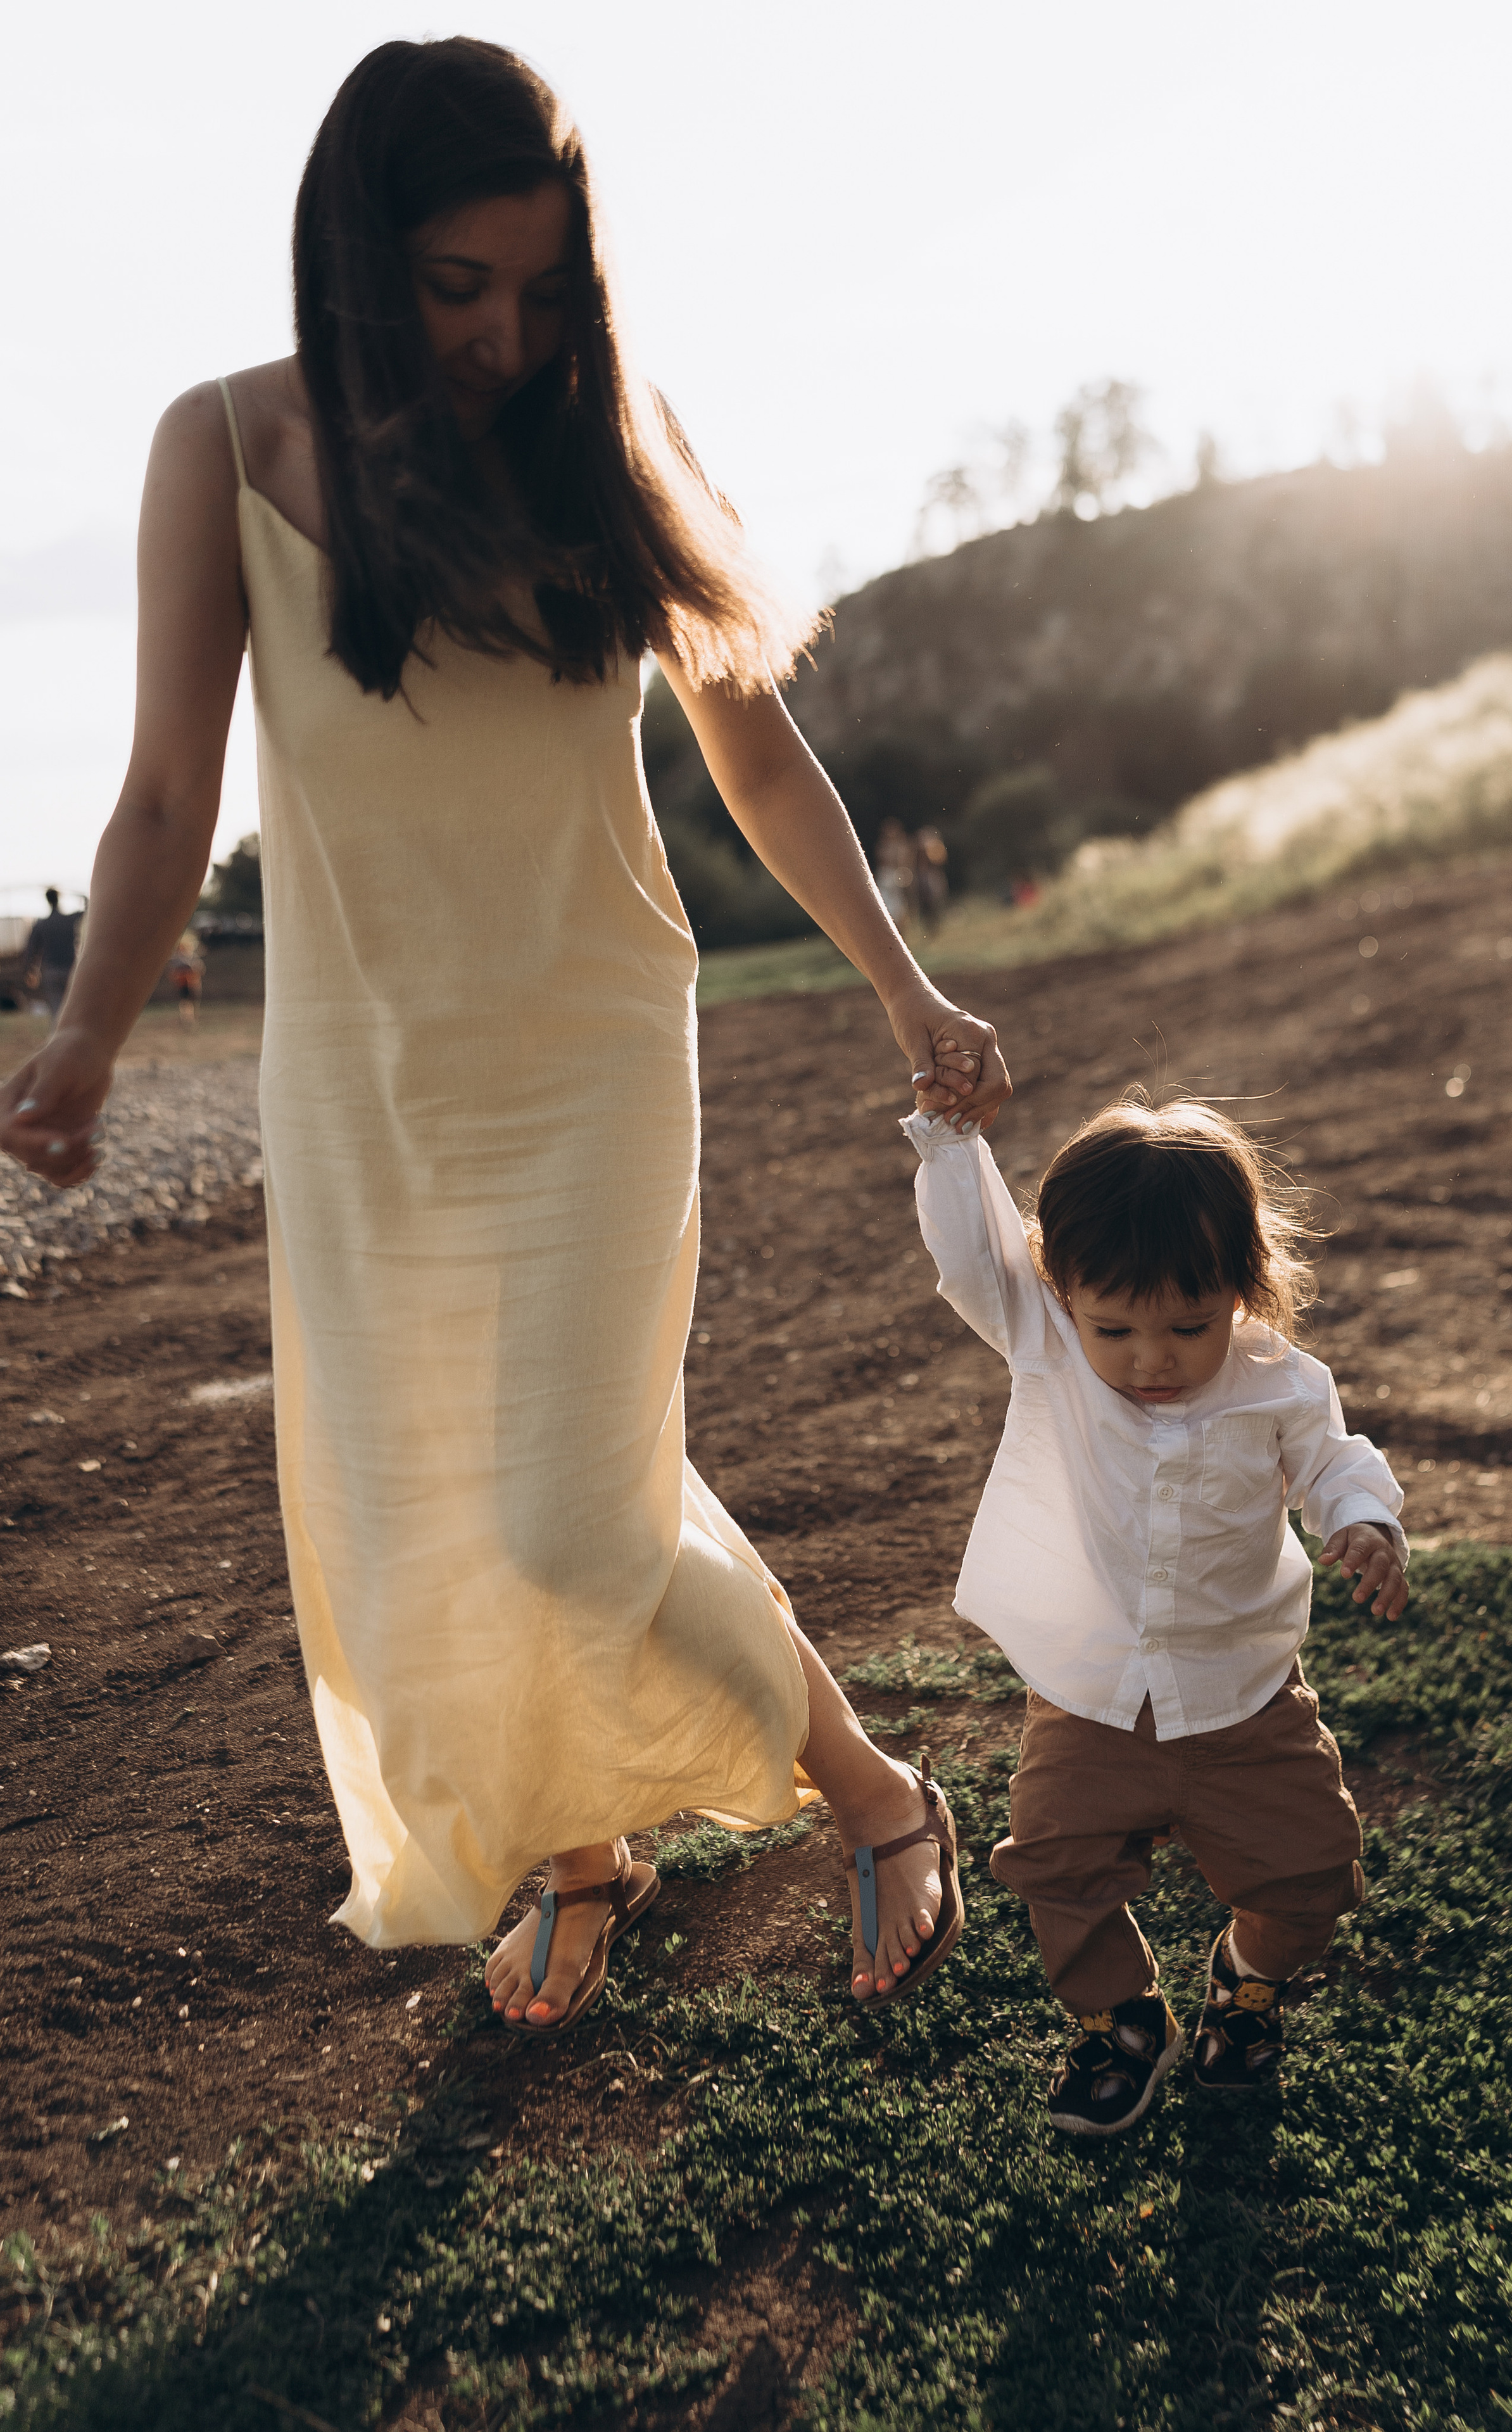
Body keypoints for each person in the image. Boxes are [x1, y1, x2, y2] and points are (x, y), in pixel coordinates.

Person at [0, 39, 1009, 2033]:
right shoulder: (223, 448)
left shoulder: (602, 437)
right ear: (358, 258)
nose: (503, 336)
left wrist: (907, 984)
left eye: (545, 292)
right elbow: (164, 796)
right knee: (443, 1508)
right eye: (456, 288)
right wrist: (91, 1035)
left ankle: (873, 1787)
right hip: (364, 1078)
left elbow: (757, 755)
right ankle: (578, 1846)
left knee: (569, 1515)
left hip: (591, 1048)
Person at [902, 1084, 1407, 2134]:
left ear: (1244, 1286)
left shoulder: (1280, 1384)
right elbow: (973, 1257)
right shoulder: (1047, 1347)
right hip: (1092, 1694)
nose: (1151, 1358)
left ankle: (1247, 1984)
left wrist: (1363, 1521)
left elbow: (1333, 1464)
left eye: (1190, 1323)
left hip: (1245, 1695)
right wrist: (951, 1135)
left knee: (1313, 1876)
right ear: (1063, 1294)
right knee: (1053, 1867)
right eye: (1115, 1327)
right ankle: (1124, 2022)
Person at [23, 889, 81, 1022]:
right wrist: (78, 895)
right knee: (73, 1006)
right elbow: (87, 907)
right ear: (58, 899)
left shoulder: (41, 924)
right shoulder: (69, 920)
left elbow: (31, 950)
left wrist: (29, 970)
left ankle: (60, 1031)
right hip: (71, 969)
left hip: (51, 970)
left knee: (56, 1008)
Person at [874, 818, 917, 939]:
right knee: (887, 909)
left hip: (897, 881)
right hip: (887, 881)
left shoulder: (901, 847)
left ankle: (900, 936)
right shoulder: (882, 847)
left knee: (900, 911)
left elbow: (905, 864)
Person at [914, 825, 948, 937]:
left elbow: (939, 861)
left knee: (935, 901)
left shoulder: (935, 847)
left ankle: (936, 926)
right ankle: (929, 928)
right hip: (923, 878)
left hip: (932, 877)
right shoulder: (917, 849)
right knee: (925, 904)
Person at [164, 930, 205, 1024]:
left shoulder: (192, 957)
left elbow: (201, 969)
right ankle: (187, 1019)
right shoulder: (176, 959)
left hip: (193, 983)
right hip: (183, 984)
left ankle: (192, 1019)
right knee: (185, 1002)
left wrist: (192, 969)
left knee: (193, 1002)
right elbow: (171, 973)